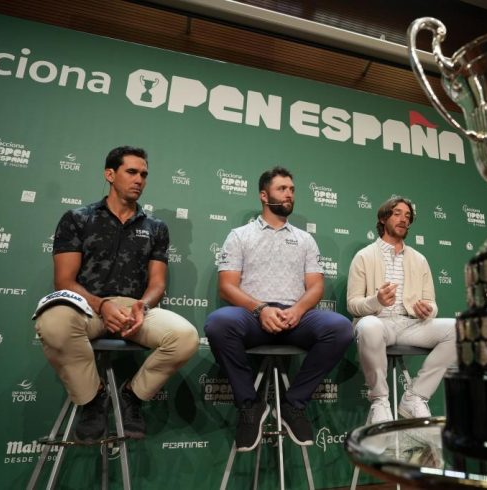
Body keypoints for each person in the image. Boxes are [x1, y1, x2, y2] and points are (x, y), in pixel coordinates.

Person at [34, 146, 199, 443]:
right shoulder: (78, 218)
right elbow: (64, 281)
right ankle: (92, 400)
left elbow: (157, 283)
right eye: (131, 172)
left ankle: (132, 397)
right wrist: (102, 305)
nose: (139, 179)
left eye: (144, 174)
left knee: (185, 336)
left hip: (135, 311)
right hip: (85, 307)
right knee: (53, 324)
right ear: (110, 174)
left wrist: (142, 306)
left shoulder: (155, 227)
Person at [204, 166, 353, 452]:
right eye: (282, 189)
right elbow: (227, 286)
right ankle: (249, 407)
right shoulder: (239, 235)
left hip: (296, 318)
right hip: (252, 316)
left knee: (341, 328)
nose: (289, 194)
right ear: (264, 195)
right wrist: (261, 309)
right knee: (218, 323)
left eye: (292, 189)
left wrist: (298, 310)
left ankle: (293, 404)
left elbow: (316, 287)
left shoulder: (305, 238)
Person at [347, 197, 455, 425]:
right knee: (368, 326)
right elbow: (353, 304)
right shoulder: (364, 256)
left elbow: (431, 303)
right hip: (379, 322)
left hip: (410, 324)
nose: (403, 219)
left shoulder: (419, 259)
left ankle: (415, 396)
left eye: (408, 216)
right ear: (383, 218)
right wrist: (376, 301)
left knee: (458, 329)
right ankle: (379, 401)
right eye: (397, 213)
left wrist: (427, 310)